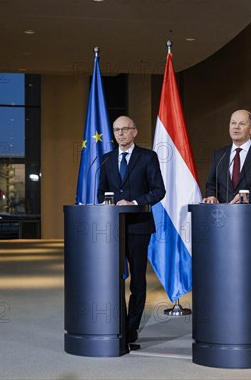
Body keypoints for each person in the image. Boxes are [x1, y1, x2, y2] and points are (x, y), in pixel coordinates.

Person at [203, 109, 251, 353]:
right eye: (232, 122)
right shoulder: (220, 155)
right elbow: (211, 183)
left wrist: (248, 196)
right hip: (221, 232)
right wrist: (211, 195)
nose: (236, 127)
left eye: (241, 123)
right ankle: (226, 335)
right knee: (222, 285)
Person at [97, 115, 166, 345]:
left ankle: (131, 328)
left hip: (138, 227)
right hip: (112, 229)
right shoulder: (106, 160)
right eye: (116, 130)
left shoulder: (148, 157)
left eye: (125, 129)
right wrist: (110, 203)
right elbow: (101, 193)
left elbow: (158, 190)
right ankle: (115, 325)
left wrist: (134, 202)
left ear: (134, 132)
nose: (120, 134)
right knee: (113, 279)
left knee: (137, 280)